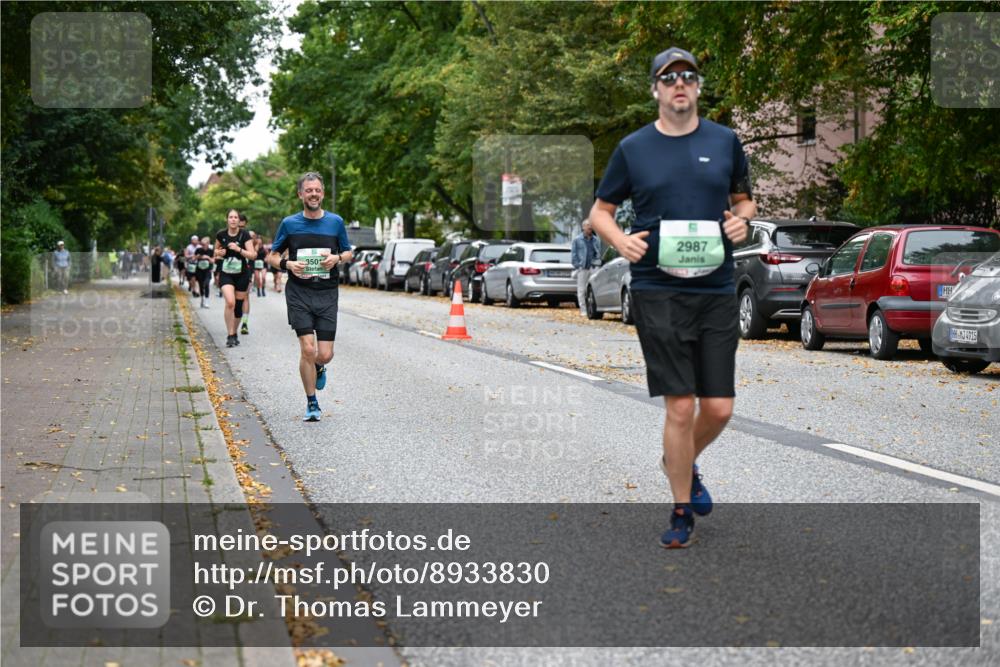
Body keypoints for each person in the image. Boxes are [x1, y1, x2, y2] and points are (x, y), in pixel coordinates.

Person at [589, 47, 756, 549]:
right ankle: (682, 508)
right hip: (659, 288)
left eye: (687, 76)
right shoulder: (634, 148)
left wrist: (742, 219)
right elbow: (600, 211)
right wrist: (620, 241)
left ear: (698, 87)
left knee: (720, 408)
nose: (678, 84)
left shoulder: (725, 141)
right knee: (680, 406)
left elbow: (743, 199)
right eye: (668, 78)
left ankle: (678, 460)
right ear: (656, 90)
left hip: (715, 286)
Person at [268, 172, 353, 422]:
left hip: (327, 293)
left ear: (322, 193)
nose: (313, 194)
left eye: (317, 190)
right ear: (300, 195)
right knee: (307, 348)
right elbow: (272, 257)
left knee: (324, 353)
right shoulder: (290, 224)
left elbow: (348, 253)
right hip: (299, 293)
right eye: (308, 190)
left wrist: (337, 258)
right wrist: (288, 265)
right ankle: (312, 402)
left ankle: (319, 366)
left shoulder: (335, 222)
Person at [215, 209, 255, 347]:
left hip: (242, 275)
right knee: (230, 302)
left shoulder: (245, 235)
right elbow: (215, 252)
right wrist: (219, 252)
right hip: (226, 274)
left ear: (239, 220)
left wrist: (239, 250)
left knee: (238, 307)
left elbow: (253, 255)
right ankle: (230, 334)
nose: (233, 219)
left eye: (235, 217)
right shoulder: (221, 234)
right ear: (227, 219)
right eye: (230, 217)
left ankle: (234, 332)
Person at [571, 220, 602, 315]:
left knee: (594, 288)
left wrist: (598, 262)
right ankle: (583, 310)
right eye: (588, 225)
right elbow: (574, 255)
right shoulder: (577, 240)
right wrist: (578, 265)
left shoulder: (596, 239)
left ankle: (593, 309)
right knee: (581, 290)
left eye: (591, 225)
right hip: (583, 267)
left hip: (594, 267)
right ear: (583, 227)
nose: (590, 227)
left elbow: (598, 252)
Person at [237, 214, 253, 335]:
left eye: (243, 226)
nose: (241, 228)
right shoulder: (228, 235)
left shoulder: (248, 236)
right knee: (232, 300)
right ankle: (233, 324)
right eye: (239, 225)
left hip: (246, 270)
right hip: (230, 272)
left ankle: (245, 323)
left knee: (245, 297)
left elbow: (254, 254)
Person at [194, 236, 214, 308]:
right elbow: (194, 258)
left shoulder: (211, 251)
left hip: (207, 270)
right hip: (199, 270)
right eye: (202, 244)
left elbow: (213, 261)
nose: (203, 246)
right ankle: (202, 299)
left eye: (204, 244)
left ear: (208, 243)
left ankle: (207, 301)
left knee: (206, 284)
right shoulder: (198, 250)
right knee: (201, 285)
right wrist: (198, 257)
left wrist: (208, 257)